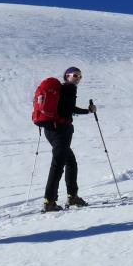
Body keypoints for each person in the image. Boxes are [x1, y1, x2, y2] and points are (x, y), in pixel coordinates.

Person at [41, 66, 96, 212]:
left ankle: (72, 196)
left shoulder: (60, 89)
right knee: (58, 166)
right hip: (61, 131)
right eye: (75, 75)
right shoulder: (69, 89)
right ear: (67, 76)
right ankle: (49, 201)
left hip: (50, 130)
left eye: (79, 76)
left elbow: (64, 108)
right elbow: (70, 109)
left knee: (70, 162)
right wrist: (88, 111)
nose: (78, 78)